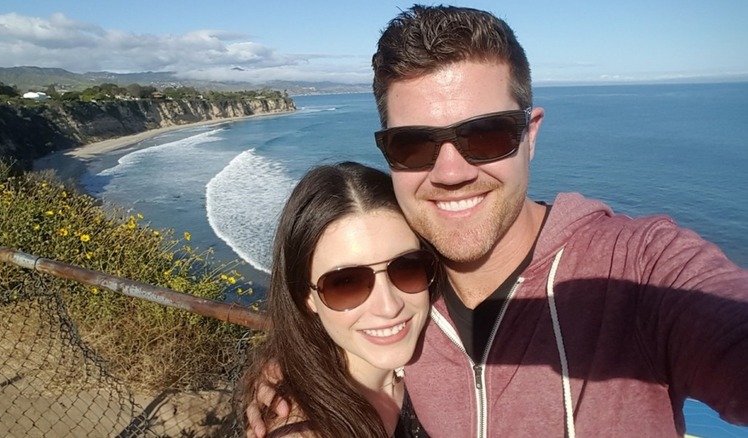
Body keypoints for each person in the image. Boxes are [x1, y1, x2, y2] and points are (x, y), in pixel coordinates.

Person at [249, 5, 748, 437]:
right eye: (415, 144)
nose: (450, 173)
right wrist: (295, 368)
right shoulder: (409, 288)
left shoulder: (638, 270)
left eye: (486, 135)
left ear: (530, 135)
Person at [238, 162, 438, 437]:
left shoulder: (445, 349)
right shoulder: (303, 430)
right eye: (346, 283)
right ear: (306, 295)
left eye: (407, 267)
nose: (389, 306)